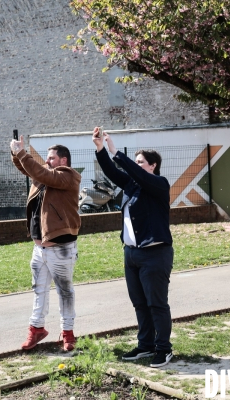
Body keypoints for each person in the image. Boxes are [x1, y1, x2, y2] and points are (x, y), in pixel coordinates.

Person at [92, 127, 174, 368]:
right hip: (132, 253)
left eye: (141, 162)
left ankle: (164, 349)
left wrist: (117, 152)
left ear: (153, 166)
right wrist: (101, 149)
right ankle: (146, 344)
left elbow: (131, 171)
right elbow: (111, 171)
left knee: (156, 303)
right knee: (139, 302)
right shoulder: (132, 185)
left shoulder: (159, 184)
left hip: (155, 253)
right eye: (135, 161)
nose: (137, 165)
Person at [10, 136, 81, 351]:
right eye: (47, 158)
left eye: (51, 158)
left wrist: (23, 154)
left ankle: (68, 334)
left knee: (65, 291)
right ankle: (36, 329)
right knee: (39, 290)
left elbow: (40, 172)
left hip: (60, 249)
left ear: (63, 161)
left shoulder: (69, 177)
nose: (47, 161)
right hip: (39, 248)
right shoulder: (44, 176)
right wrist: (16, 153)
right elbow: (30, 170)